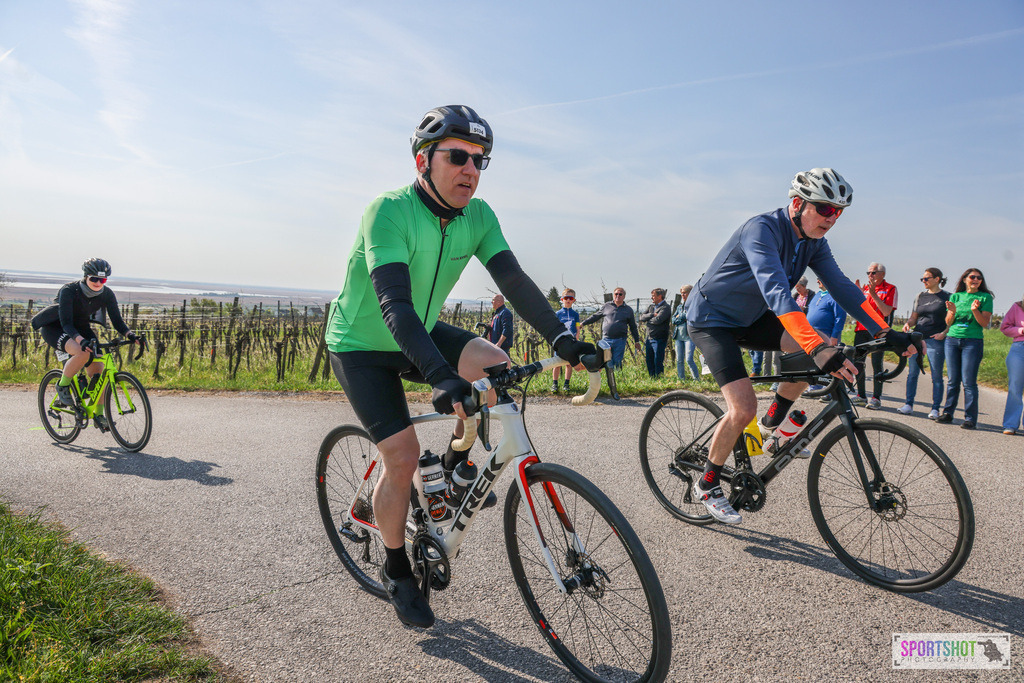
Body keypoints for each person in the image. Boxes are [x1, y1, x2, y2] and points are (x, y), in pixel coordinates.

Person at [324, 105, 595, 628]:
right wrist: (440, 375)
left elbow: (515, 282)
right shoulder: (388, 211)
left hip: (420, 330)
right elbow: (395, 305)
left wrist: (562, 338)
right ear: (423, 161)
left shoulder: (479, 216)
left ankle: (453, 465)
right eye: (458, 157)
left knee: (497, 366)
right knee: (401, 455)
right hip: (361, 343)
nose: (471, 169)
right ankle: (397, 568)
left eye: (479, 160)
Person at [685, 168, 917, 525]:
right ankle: (707, 482)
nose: (832, 218)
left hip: (750, 318)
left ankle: (771, 425)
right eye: (825, 209)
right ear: (797, 204)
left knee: (813, 346)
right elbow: (777, 292)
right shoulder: (761, 229)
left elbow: (842, 287)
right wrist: (818, 350)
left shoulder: (814, 242)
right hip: (711, 320)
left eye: (839, 212)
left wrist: (886, 332)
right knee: (743, 407)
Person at [30, 258, 141, 430]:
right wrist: (81, 341)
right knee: (82, 352)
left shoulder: (107, 294)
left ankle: (98, 414)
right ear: (85, 277)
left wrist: (131, 335)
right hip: (56, 328)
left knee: (99, 371)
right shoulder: (70, 290)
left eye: (102, 280)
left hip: (81, 328)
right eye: (94, 279)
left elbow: (117, 321)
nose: (98, 283)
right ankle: (63, 385)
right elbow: (66, 323)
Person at [937, 268, 994, 429]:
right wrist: (952, 312)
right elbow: (948, 322)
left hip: (972, 341)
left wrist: (975, 310)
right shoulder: (956, 296)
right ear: (964, 279)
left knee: (969, 382)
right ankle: (948, 413)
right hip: (952, 340)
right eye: (972, 277)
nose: (976, 280)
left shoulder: (985, 297)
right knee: (953, 380)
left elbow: (984, 323)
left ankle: (970, 419)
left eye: (979, 278)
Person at [898, 268, 950, 417]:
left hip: (935, 340)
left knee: (936, 376)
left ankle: (935, 408)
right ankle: (908, 404)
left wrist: (944, 333)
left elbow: (951, 320)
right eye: (922, 279)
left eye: (927, 278)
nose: (924, 281)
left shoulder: (948, 297)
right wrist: (908, 324)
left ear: (937, 279)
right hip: (917, 338)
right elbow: (914, 317)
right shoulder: (919, 296)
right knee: (912, 373)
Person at [852, 263, 898, 409]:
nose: (870, 276)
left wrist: (873, 294)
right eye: (868, 273)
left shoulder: (890, 288)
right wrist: (858, 295)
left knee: (876, 364)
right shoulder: (865, 288)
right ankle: (861, 395)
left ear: (882, 274)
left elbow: (886, 311)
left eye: (873, 273)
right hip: (861, 329)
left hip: (878, 331)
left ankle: (876, 398)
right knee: (858, 362)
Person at [803, 278, 847, 395]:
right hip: (813, 335)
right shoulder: (817, 295)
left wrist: (834, 336)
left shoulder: (835, 295)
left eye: (820, 279)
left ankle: (829, 390)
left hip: (828, 335)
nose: (817, 281)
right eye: (817, 279)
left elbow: (840, 317)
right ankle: (815, 386)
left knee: (828, 361)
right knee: (814, 360)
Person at [580, 288, 640, 369]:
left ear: (624, 296)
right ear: (613, 295)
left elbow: (633, 326)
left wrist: (636, 340)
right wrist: (583, 323)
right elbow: (595, 316)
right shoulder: (607, 306)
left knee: (617, 360)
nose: (618, 296)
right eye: (616, 294)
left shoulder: (628, 310)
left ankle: (617, 376)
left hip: (620, 340)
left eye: (620, 294)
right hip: (606, 339)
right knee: (608, 361)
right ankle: (610, 376)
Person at [999, 293, 1024, 435]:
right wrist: (1020, 330)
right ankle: (1010, 424)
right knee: (1015, 386)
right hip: (1019, 348)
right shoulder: (1017, 307)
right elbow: (1005, 328)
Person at [552, 288, 580, 392]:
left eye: (571, 298)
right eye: (566, 298)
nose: (568, 300)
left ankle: (566, 384)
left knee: (569, 364)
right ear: (562, 299)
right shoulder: (558, 313)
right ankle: (555, 384)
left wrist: (577, 336)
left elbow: (577, 327)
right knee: (557, 364)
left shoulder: (575, 314)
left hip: (571, 341)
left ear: (574, 300)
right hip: (560, 342)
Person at [639, 288, 671, 376]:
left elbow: (658, 320)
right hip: (649, 337)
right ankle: (652, 377)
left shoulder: (665, 307)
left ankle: (659, 377)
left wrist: (648, 321)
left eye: (653, 296)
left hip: (659, 338)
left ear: (659, 296)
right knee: (649, 360)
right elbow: (641, 317)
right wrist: (652, 315)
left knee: (658, 360)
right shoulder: (651, 307)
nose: (651, 298)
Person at [673, 285, 700, 380]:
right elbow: (673, 320)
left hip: (689, 336)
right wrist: (682, 317)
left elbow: (689, 316)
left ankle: (696, 379)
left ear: (690, 293)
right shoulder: (679, 307)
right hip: (679, 337)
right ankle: (681, 379)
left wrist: (679, 317)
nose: (682, 295)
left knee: (689, 359)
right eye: (681, 293)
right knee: (679, 360)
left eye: (684, 293)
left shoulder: (694, 305)